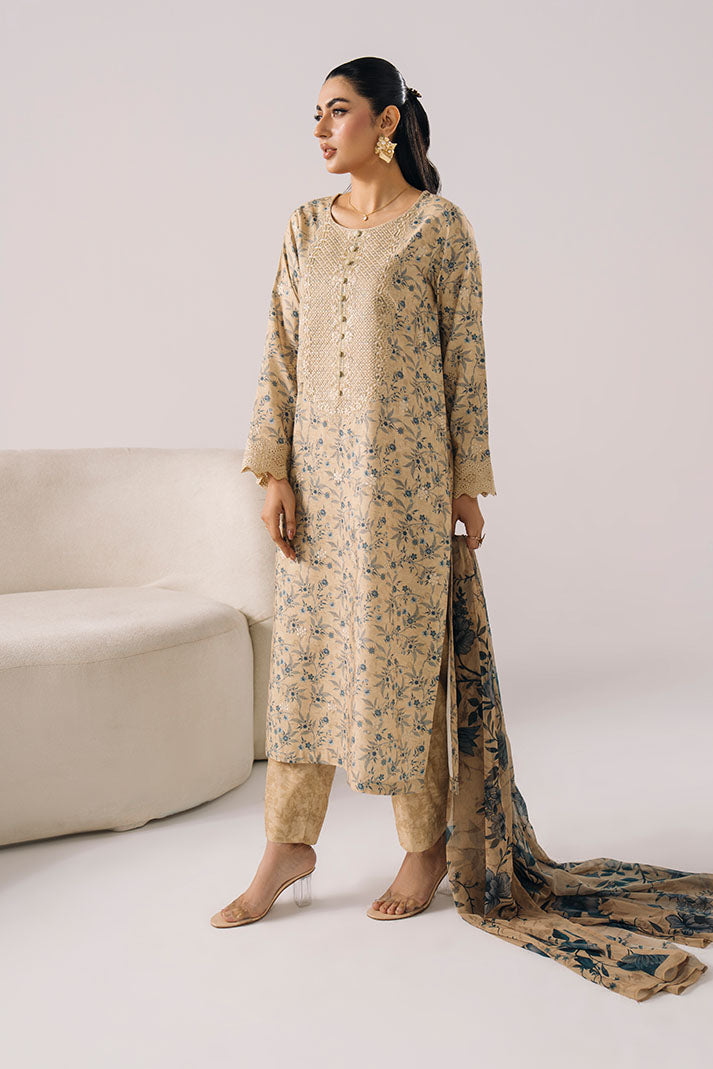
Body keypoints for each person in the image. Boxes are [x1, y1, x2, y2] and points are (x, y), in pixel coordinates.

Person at [211, 57, 713, 1002]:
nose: (319, 130)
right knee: (307, 665)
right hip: (317, 488)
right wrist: (272, 469)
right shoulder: (303, 228)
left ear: (385, 121)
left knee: (404, 664)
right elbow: (277, 350)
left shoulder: (439, 228)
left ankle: (424, 847)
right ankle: (286, 846)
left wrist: (467, 484)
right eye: (314, 114)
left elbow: (463, 362)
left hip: (402, 486)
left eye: (337, 112)